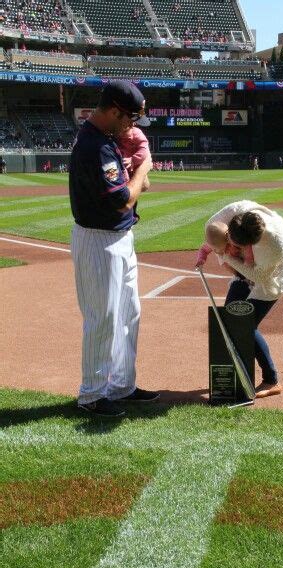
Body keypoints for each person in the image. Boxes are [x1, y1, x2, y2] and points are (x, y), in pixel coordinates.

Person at [69, 80, 159, 417]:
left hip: (120, 237)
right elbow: (123, 199)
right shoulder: (96, 145)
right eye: (130, 118)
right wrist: (145, 166)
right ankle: (92, 394)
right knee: (102, 317)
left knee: (129, 312)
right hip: (98, 240)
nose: (132, 126)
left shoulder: (107, 141)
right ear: (114, 111)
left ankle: (122, 385)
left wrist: (137, 177)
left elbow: (132, 191)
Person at [204, 200, 283, 398]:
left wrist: (226, 256)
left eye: (237, 246)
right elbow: (212, 227)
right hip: (248, 269)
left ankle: (272, 380)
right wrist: (211, 246)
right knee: (230, 320)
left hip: (273, 278)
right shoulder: (239, 211)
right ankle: (238, 373)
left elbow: (258, 277)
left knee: (244, 326)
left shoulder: (273, 246)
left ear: (251, 245)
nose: (232, 248)